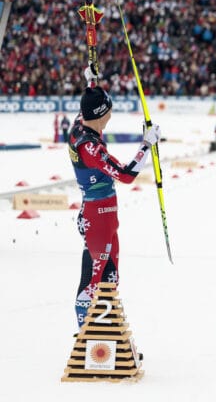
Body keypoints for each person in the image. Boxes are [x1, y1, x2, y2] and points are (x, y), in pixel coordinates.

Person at [68, 67, 161, 328]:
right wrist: (147, 145)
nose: (111, 112)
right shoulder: (89, 147)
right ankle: (85, 337)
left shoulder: (81, 122)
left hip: (105, 213)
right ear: (101, 115)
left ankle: (105, 331)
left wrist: (91, 81)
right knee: (93, 278)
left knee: (110, 276)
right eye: (108, 108)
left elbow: (87, 105)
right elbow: (126, 174)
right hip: (97, 215)